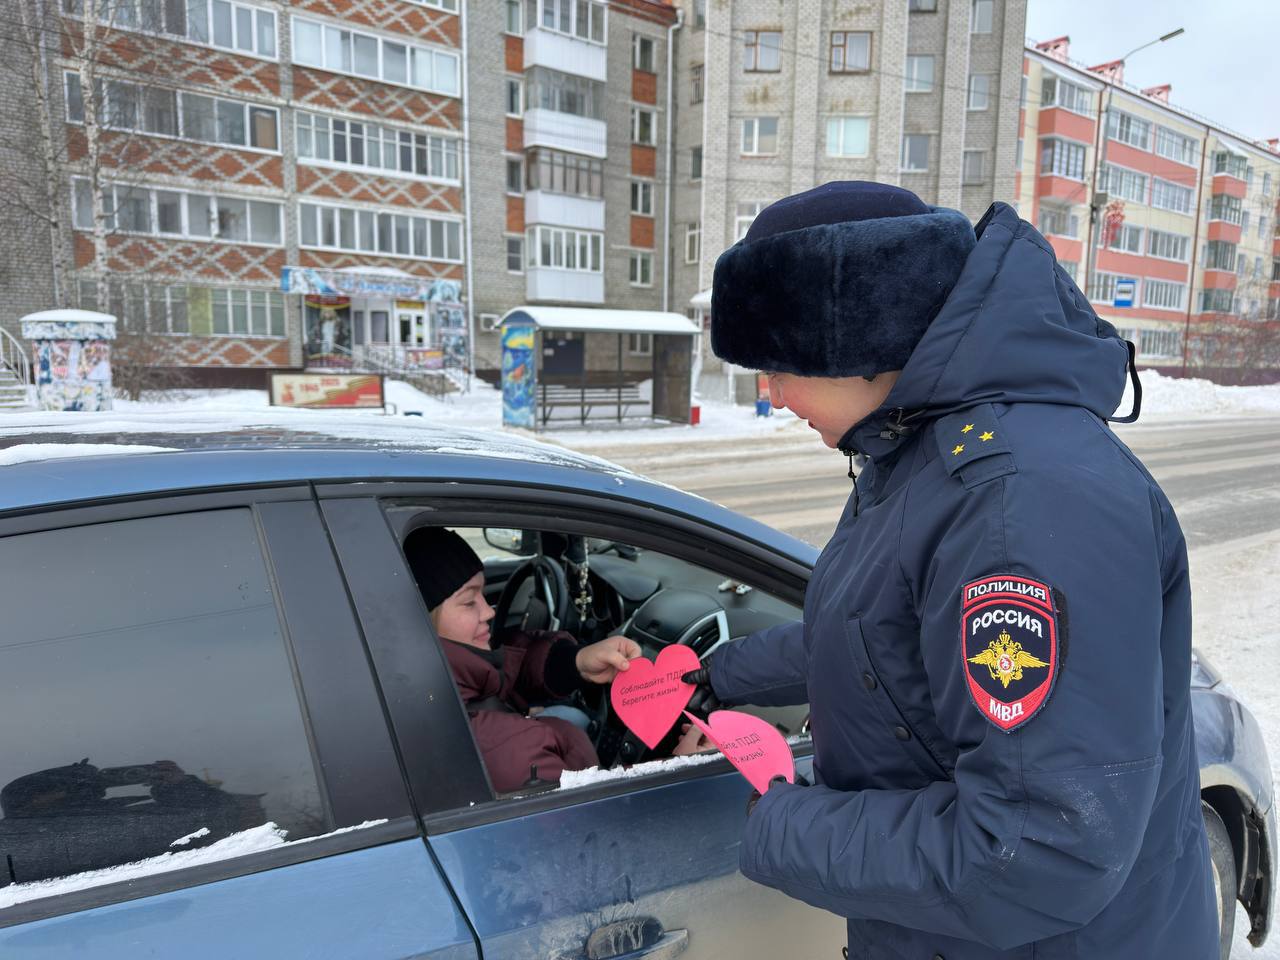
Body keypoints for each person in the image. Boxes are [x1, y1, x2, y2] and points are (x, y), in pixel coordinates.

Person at [683, 182, 1216, 959]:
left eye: (776, 365)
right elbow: (876, 634)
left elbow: (1037, 851)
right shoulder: (917, 452)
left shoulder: (1016, 506)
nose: (770, 394)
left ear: (850, 340)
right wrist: (718, 675)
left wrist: (783, 822)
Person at [405, 527, 708, 792]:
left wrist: (576, 662)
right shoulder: (508, 753)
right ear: (420, 621)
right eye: (469, 602)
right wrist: (677, 769)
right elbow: (600, 825)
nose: (489, 611)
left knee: (572, 716)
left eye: (483, 595)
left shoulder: (437, 683)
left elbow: (499, 673)